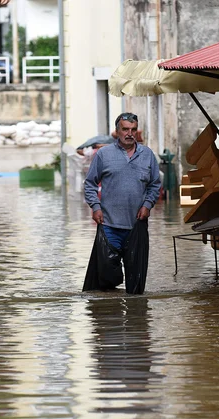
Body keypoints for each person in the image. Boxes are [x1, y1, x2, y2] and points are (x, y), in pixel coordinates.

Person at [83, 112, 162, 292]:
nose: (129, 133)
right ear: (117, 131)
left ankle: (135, 315)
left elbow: (155, 184)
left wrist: (148, 205)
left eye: (133, 130)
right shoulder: (104, 154)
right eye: (125, 129)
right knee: (106, 274)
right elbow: (89, 183)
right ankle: (111, 312)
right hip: (109, 224)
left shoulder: (147, 155)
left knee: (136, 281)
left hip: (137, 224)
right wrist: (95, 207)